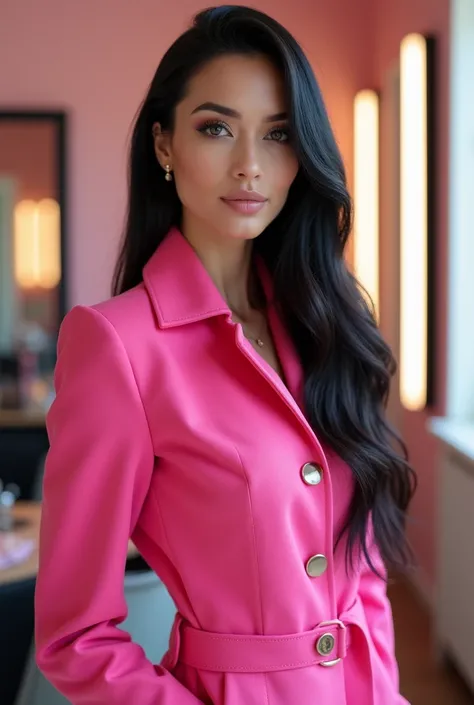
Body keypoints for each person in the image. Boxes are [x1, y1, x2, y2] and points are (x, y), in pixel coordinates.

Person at [35, 6, 415, 705]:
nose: (250, 166)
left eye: (278, 135)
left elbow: (361, 574)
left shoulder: (324, 325)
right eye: (216, 128)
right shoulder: (118, 346)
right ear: (164, 145)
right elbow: (73, 635)